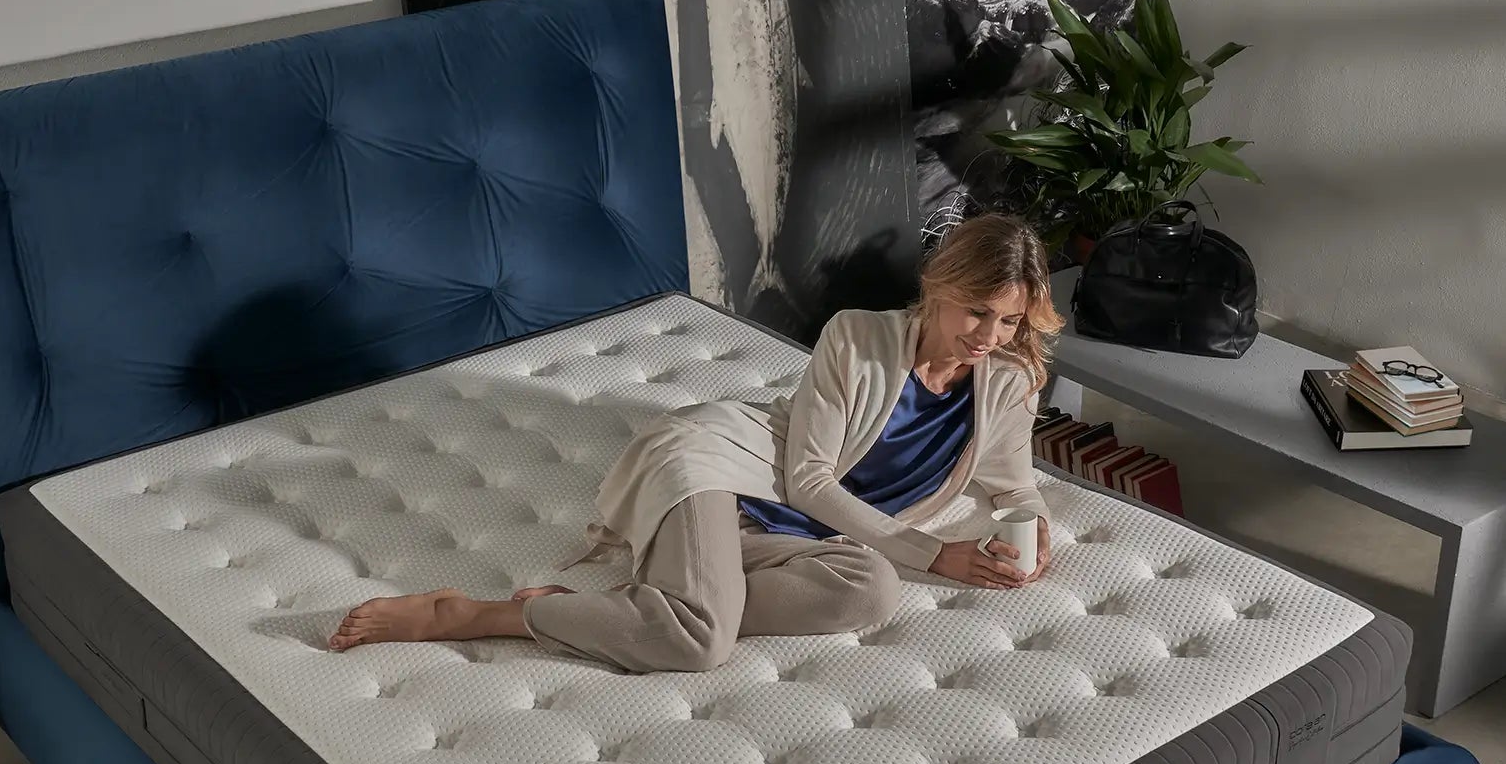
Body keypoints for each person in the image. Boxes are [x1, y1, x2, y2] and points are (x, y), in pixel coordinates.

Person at [328, 213, 1064, 671]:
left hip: (810, 543)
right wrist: (936, 552)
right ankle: (474, 614)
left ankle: (647, 603)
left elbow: (1012, 483)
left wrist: (1027, 534)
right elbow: (807, 481)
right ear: (938, 285)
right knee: (701, 642)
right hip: (734, 480)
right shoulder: (858, 337)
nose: (988, 337)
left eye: (1008, 322)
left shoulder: (1006, 380)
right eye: (977, 312)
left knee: (872, 589)